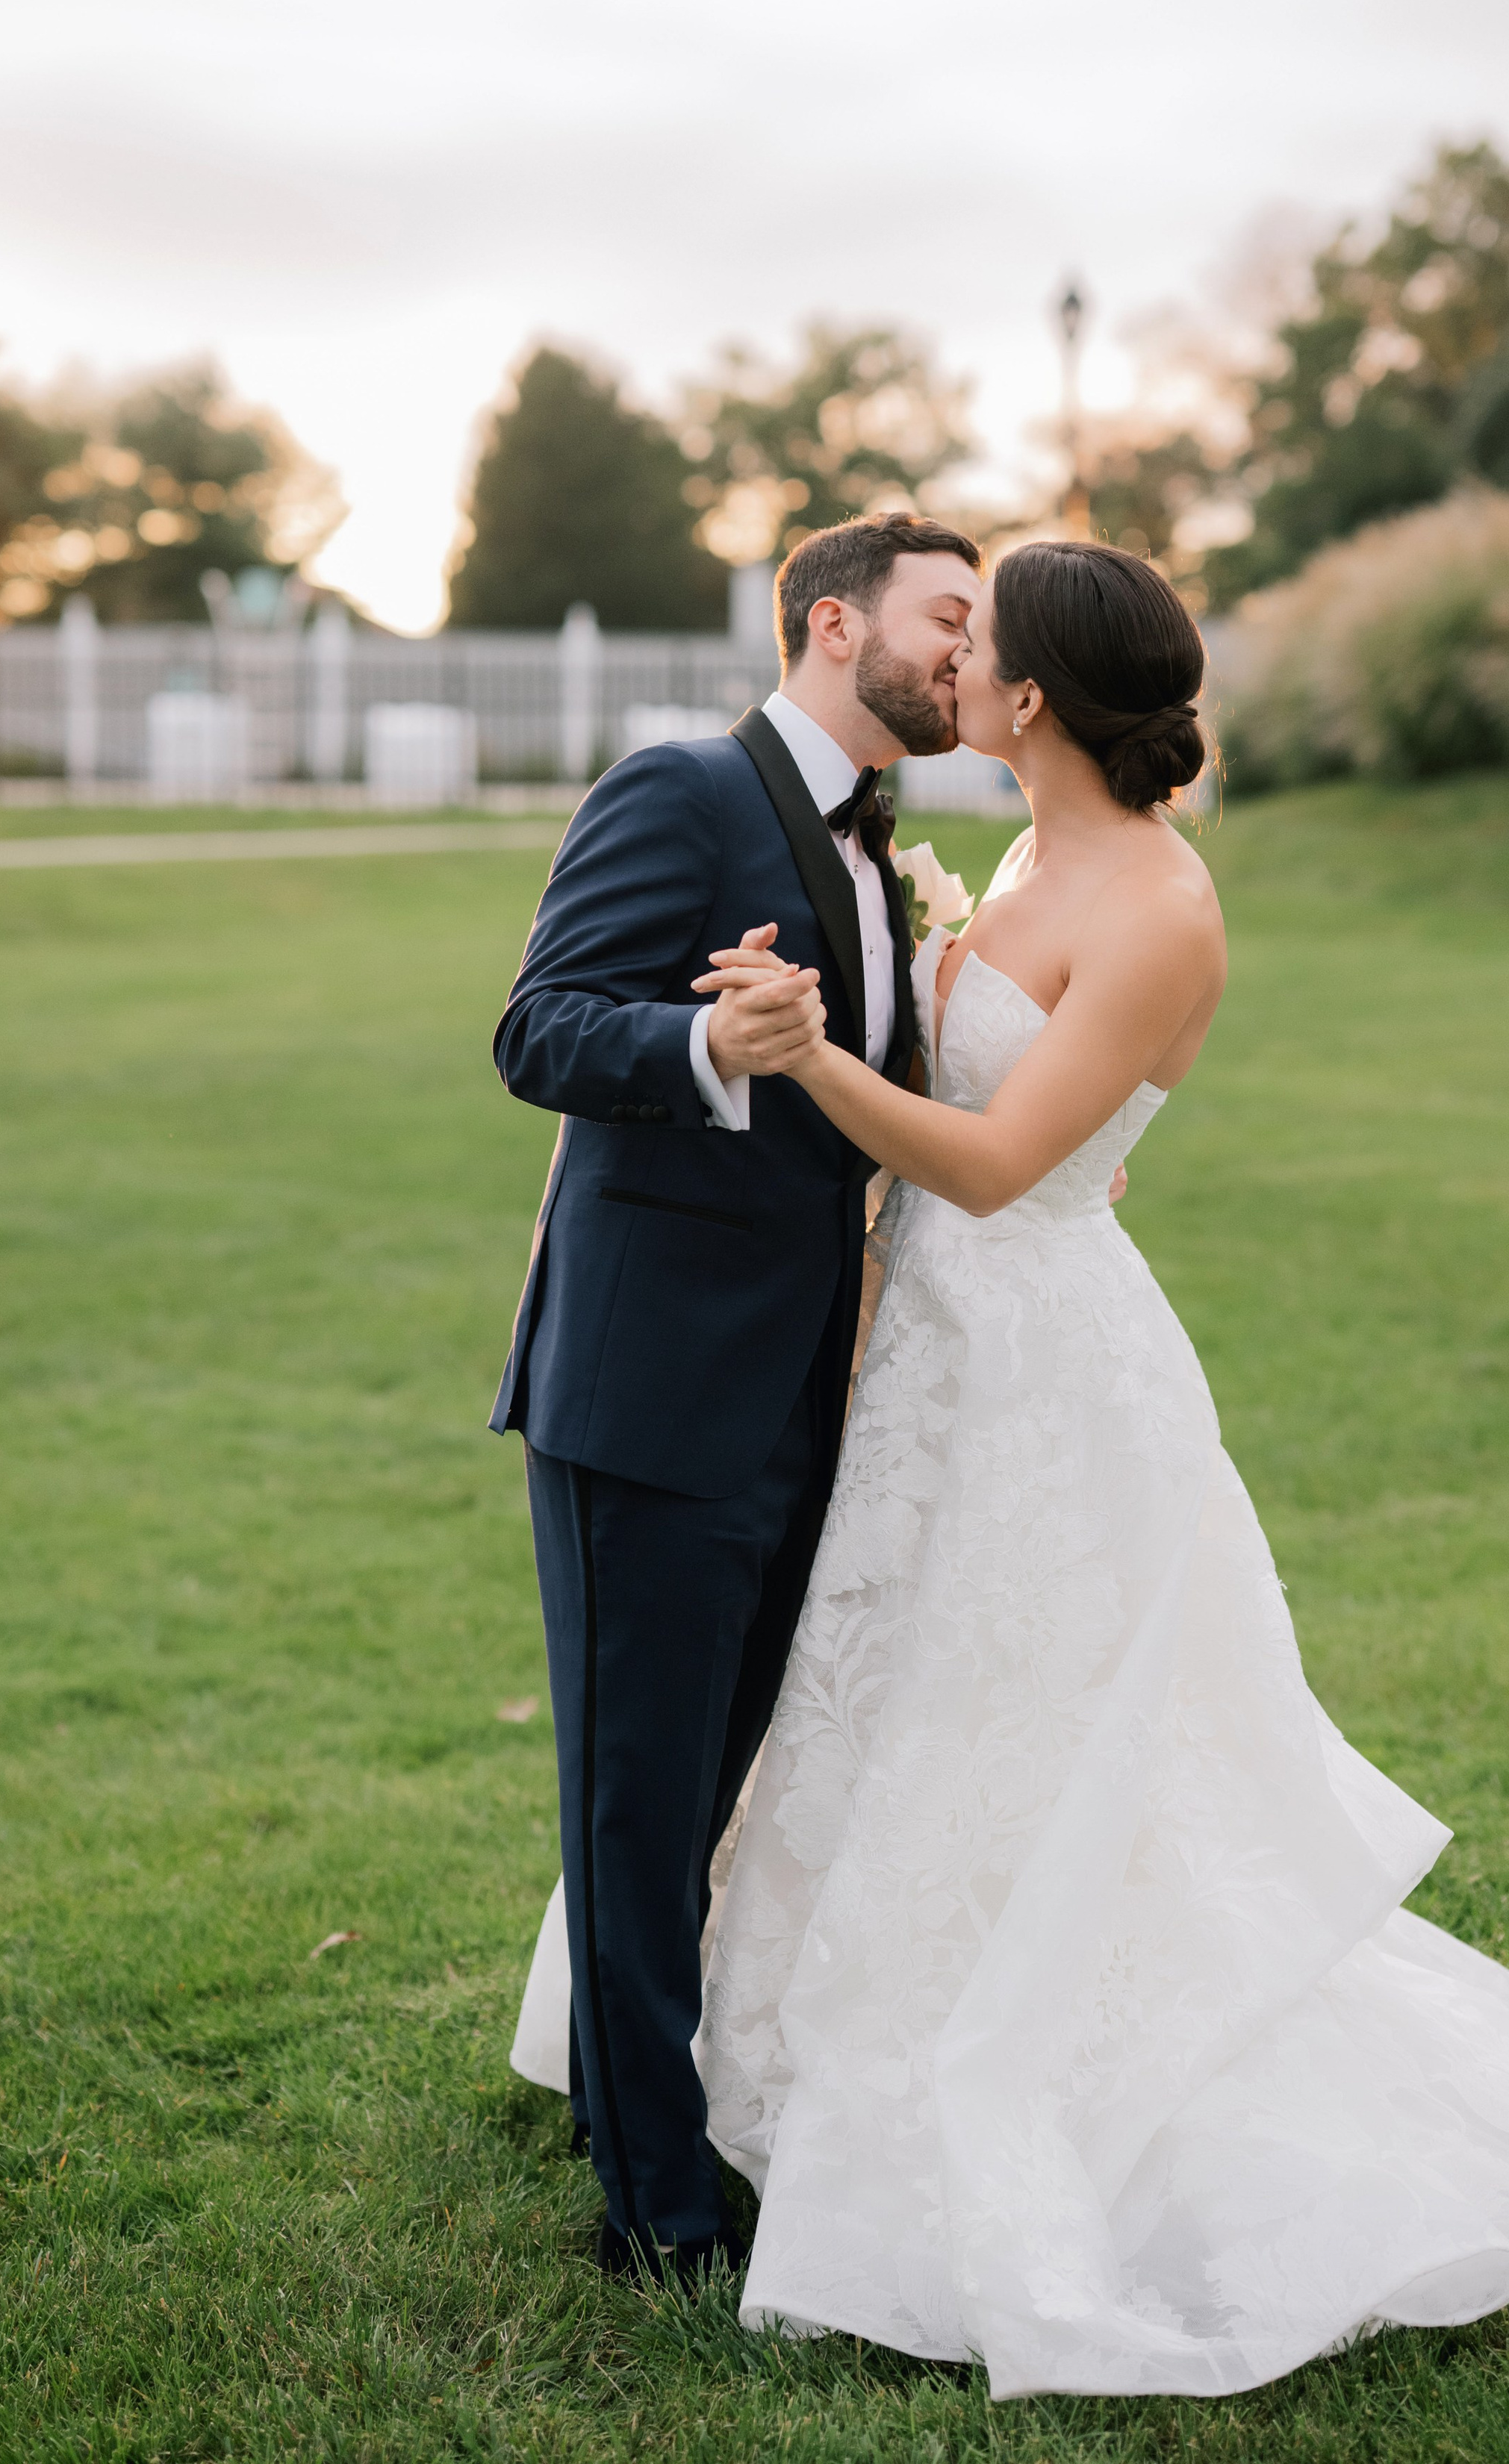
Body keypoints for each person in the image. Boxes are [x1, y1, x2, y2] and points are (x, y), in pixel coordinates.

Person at [677, 540, 1509, 2395]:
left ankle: (1062, 2075)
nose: (950, 663)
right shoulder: (1034, 852)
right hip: (935, 1352)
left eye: (978, 645)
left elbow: (992, 1167)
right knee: (896, 1700)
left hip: (1045, 1373)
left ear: (1035, 697)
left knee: (1033, 1728)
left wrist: (811, 1055)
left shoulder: (1157, 903)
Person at [488, 509, 980, 2281]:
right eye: (947, 617)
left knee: (696, 1797)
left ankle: (629, 2100)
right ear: (833, 625)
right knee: (636, 1806)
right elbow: (539, 1028)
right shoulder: (679, 790)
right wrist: (705, 1043)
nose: (967, 652)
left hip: (801, 1393)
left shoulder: (877, 843)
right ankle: (658, 2210)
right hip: (650, 1392)